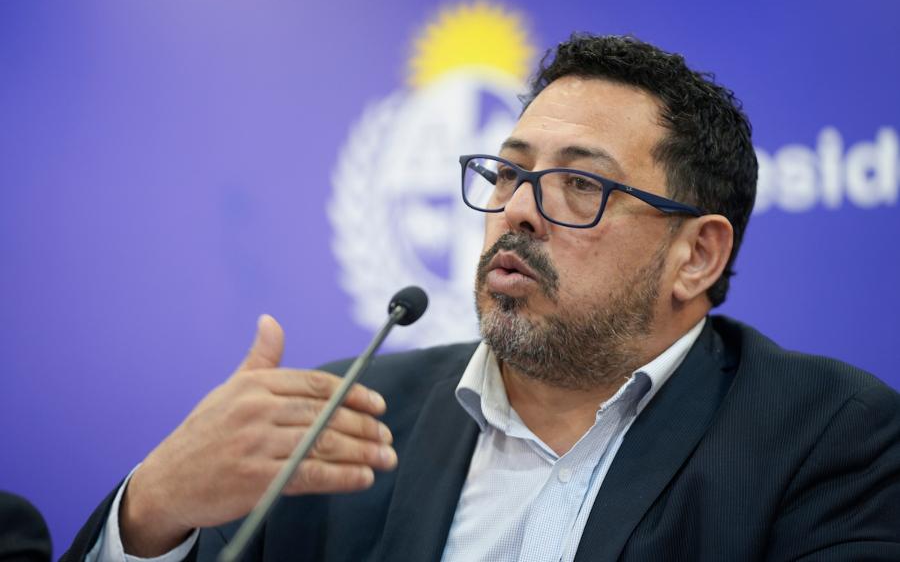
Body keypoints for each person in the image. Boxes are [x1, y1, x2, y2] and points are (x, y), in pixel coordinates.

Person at [63, 34, 900, 562]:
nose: (518, 209)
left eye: (578, 184)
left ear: (697, 254)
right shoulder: (347, 426)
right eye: (508, 173)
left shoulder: (825, 434)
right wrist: (155, 512)